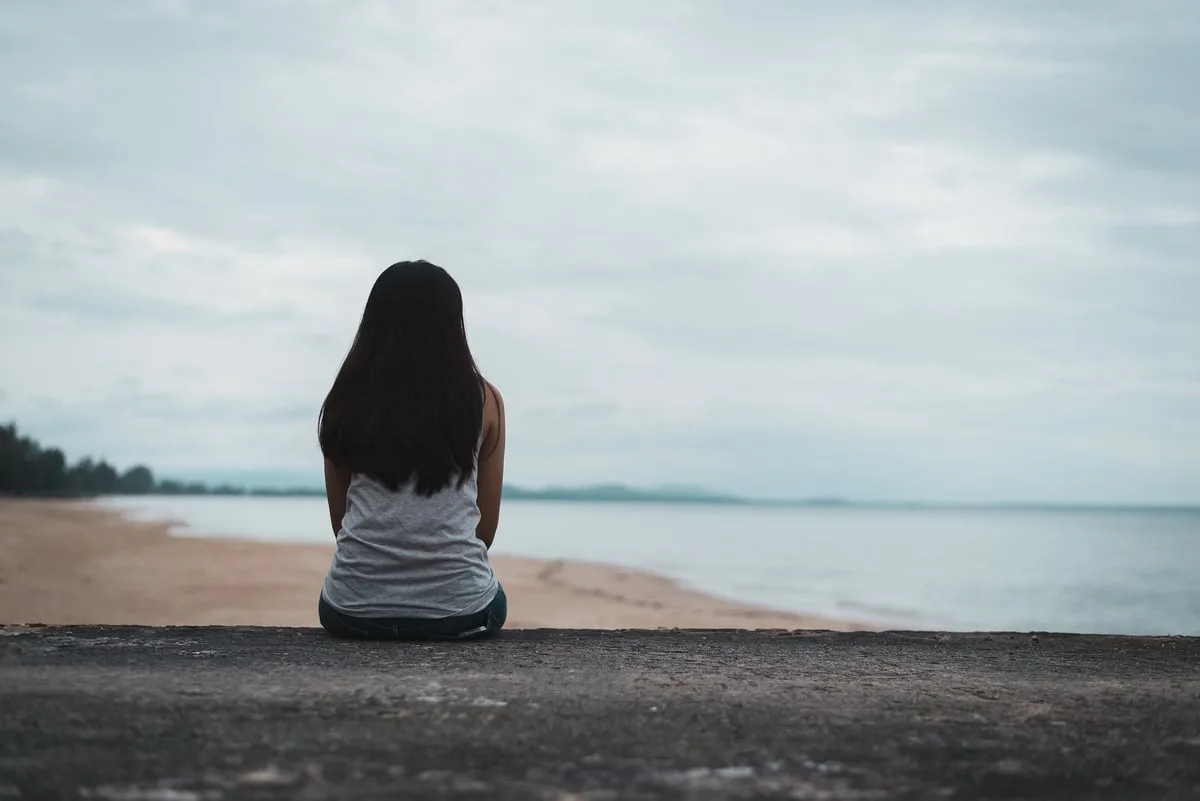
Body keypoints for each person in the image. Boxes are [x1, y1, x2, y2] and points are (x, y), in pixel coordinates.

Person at [316, 260, 507, 640]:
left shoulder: (343, 400)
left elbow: (342, 525)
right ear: (454, 325)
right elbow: (483, 531)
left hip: (351, 611)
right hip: (463, 611)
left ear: (373, 323)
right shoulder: (484, 400)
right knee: (493, 597)